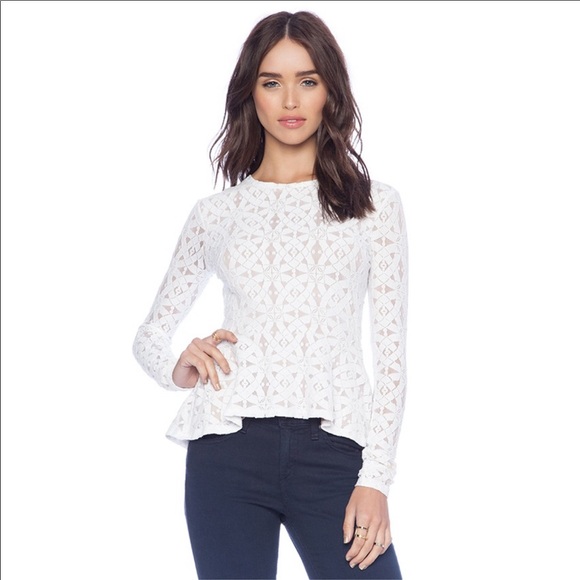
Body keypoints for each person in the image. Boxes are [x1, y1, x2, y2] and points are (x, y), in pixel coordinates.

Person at [133, 10, 407, 580]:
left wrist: (376, 479)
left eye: (307, 80)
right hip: (227, 449)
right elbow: (150, 334)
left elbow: (392, 357)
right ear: (249, 93)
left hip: (335, 451)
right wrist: (177, 365)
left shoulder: (374, 207)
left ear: (330, 91)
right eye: (271, 81)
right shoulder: (216, 215)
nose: (290, 100)